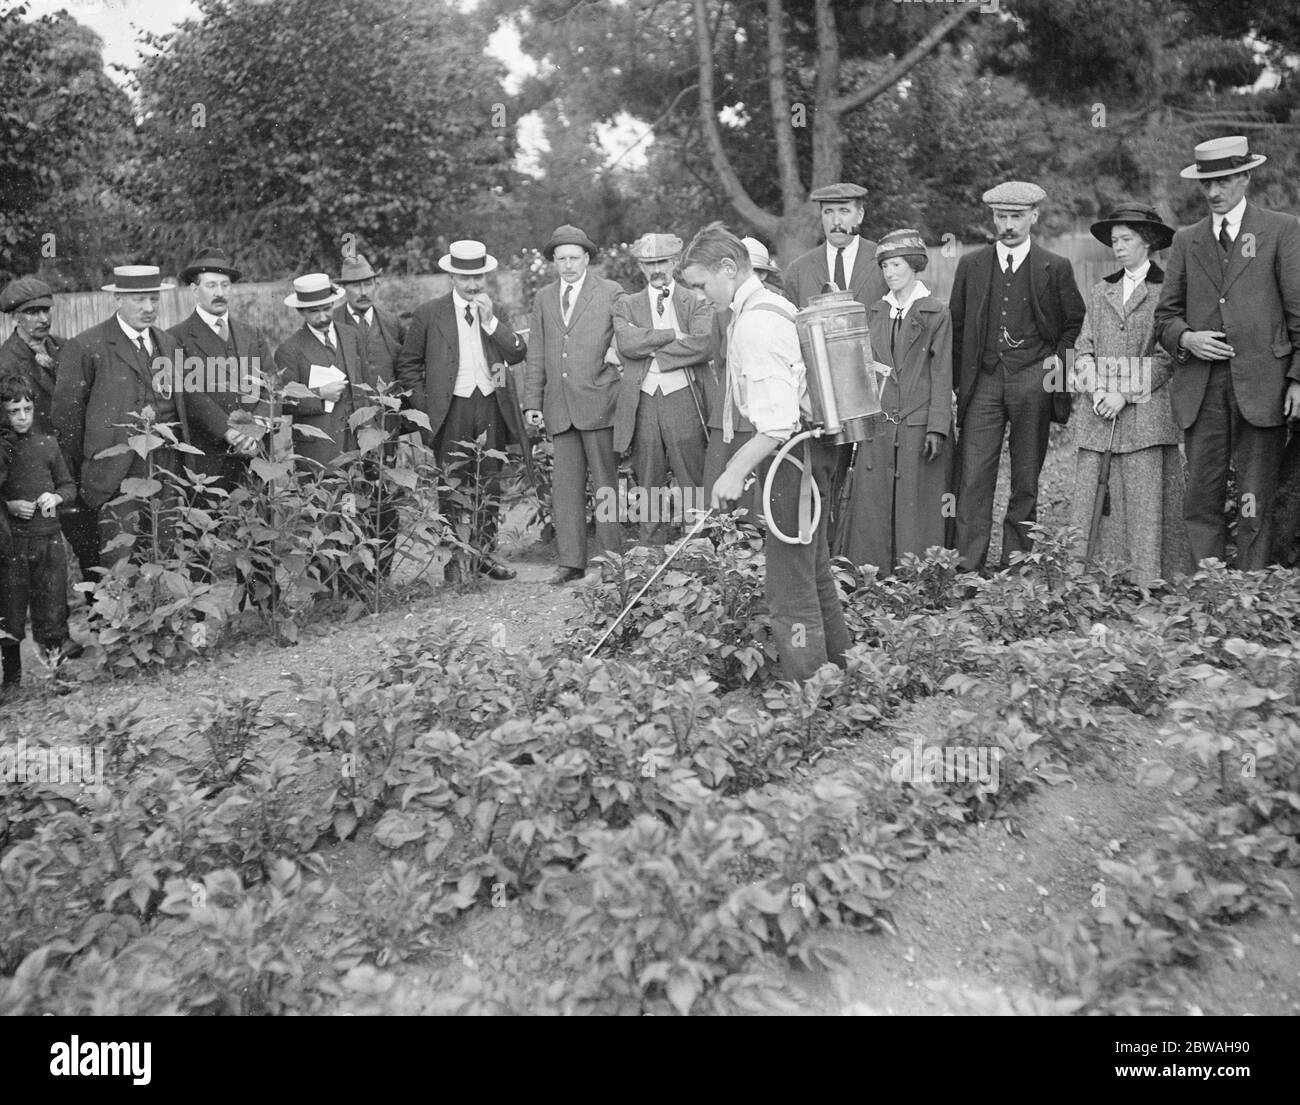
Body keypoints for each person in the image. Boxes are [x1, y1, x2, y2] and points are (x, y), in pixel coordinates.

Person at [680, 222, 849, 683]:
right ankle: (841, 670)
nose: (698, 295)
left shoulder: (756, 322)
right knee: (812, 573)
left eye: (700, 284)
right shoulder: (770, 303)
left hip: (790, 461)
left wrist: (735, 472)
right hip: (802, 454)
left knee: (788, 589)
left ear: (729, 268)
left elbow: (775, 422)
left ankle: (809, 691)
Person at [1153, 136, 1300, 570]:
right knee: (1202, 492)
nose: (1214, 192)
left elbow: (1299, 314)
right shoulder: (1186, 240)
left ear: (1245, 177)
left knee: (1256, 494)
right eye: (1207, 183)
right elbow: (1164, 318)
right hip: (1203, 387)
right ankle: (1209, 588)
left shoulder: (1281, 229)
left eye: (1223, 181)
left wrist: (1296, 379)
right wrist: (1187, 339)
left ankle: (1251, 588)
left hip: (1263, 385)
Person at [951, 181, 1086, 571]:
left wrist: (1057, 370)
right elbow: (958, 329)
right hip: (985, 383)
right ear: (993, 218)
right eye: (1001, 217)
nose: (1007, 225)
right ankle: (967, 568)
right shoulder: (971, 266)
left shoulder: (1055, 267)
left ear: (1033, 217)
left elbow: (1075, 325)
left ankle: (1017, 565)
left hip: (1033, 380)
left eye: (1016, 217)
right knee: (973, 476)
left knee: (1026, 477)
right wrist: (961, 386)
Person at [1071, 205, 1192, 582]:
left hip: (1146, 412)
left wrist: (1122, 393)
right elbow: (1083, 346)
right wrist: (1095, 388)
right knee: (1098, 496)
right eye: (1114, 241)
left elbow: (1167, 355)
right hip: (1099, 411)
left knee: (1144, 496)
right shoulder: (1101, 289)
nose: (1118, 248)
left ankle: (1147, 578)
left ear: (1149, 242)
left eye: (1126, 240)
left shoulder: (1168, 289)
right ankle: (1096, 578)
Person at [396, 239, 527, 583]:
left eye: (478, 278)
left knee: (489, 484)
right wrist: (427, 411)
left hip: (489, 404)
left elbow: (515, 354)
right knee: (451, 486)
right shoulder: (429, 313)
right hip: (450, 409)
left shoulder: (494, 310)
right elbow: (409, 365)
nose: (472, 286)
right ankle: (455, 560)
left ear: (485, 276)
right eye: (464, 278)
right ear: (451, 275)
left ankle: (484, 555)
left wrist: (490, 323)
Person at [52, 265, 192, 566]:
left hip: (165, 466)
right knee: (119, 558)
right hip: (115, 471)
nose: (148, 308)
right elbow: (67, 420)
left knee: (163, 550)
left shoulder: (166, 343)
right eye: (139, 300)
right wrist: (96, 461)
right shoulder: (87, 346)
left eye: (154, 299)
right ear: (118, 299)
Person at [783, 183, 888, 552]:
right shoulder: (799, 271)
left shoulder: (883, 262)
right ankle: (825, 554)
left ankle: (861, 557)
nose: (836, 221)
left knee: (869, 483)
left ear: (860, 214)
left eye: (844, 211)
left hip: (873, 395)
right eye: (828, 212)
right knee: (824, 478)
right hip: (821, 400)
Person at [839, 230, 952, 572]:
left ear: (915, 266)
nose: (890, 273)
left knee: (914, 502)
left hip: (918, 423)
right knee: (873, 497)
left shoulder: (935, 313)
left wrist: (938, 427)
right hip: (880, 423)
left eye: (897, 264)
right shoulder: (876, 312)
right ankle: (873, 572)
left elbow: (943, 373)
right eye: (885, 265)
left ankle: (915, 574)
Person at [521, 224, 625, 585]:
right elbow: (537, 351)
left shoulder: (610, 292)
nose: (568, 265)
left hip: (598, 402)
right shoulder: (544, 297)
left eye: (574, 258)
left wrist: (616, 355)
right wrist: (532, 400)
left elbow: (625, 336)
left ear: (586, 259)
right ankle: (571, 561)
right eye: (561, 259)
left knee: (606, 485)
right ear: (553, 261)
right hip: (559, 406)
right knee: (565, 488)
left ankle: (614, 561)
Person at [612, 233, 712, 545]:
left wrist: (651, 346)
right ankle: (650, 551)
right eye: (649, 263)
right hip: (644, 398)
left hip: (683, 393)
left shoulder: (695, 300)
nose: (656, 269)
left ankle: (700, 547)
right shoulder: (626, 304)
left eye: (662, 262)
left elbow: (703, 343)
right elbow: (627, 344)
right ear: (640, 266)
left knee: (691, 473)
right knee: (648, 475)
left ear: (674, 263)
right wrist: (672, 335)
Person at [0, 277, 99, 587]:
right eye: (32, 312)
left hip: (77, 464)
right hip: (37, 472)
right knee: (45, 559)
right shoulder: (6, 363)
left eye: (46, 310)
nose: (42, 319)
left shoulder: (65, 348)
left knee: (91, 545)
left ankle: (100, 619)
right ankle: (53, 634)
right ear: (15, 316)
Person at [167, 246, 272, 494]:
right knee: (208, 528)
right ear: (195, 290)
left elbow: (273, 387)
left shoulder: (251, 334)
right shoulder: (176, 338)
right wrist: (230, 433)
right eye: (211, 286)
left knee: (258, 527)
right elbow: (189, 395)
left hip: (255, 456)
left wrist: (254, 430)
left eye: (225, 286)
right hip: (208, 461)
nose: (220, 293)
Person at [1, 374, 78, 687]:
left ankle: (57, 672)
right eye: (13, 411)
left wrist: (56, 496)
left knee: (53, 607)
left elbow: (69, 485)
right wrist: (9, 506)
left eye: (27, 410)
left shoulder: (47, 444)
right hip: (12, 544)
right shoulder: (2, 450)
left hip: (48, 538)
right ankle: (12, 679)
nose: (22, 417)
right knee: (11, 609)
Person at [701, 238, 773, 518]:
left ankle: (752, 544)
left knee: (754, 484)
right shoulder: (721, 312)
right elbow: (720, 361)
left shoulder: (769, 308)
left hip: (760, 414)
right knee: (716, 476)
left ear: (764, 275)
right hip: (727, 411)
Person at [334, 254, 407, 386]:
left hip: (390, 403)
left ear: (376, 285)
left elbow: (408, 366)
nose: (363, 292)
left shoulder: (392, 322)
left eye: (368, 284)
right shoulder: (331, 322)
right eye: (356, 285)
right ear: (344, 289)